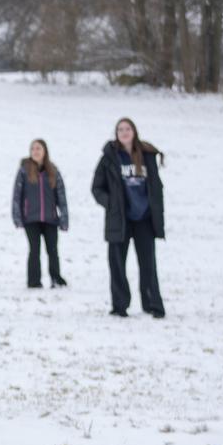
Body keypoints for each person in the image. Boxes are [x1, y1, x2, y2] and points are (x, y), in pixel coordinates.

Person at [89, 116, 166, 318]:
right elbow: (96, 188)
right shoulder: (109, 157)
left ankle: (152, 304)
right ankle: (120, 305)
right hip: (120, 220)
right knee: (117, 264)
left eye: (127, 129)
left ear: (134, 132)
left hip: (144, 219)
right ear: (116, 134)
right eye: (120, 129)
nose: (124, 132)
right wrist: (111, 204)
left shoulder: (147, 155)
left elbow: (156, 186)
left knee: (148, 265)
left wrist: (156, 210)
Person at [12, 138, 69, 288]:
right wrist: (17, 216)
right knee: (34, 250)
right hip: (31, 218)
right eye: (33, 149)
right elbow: (17, 195)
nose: (35, 151)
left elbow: (61, 196)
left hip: (50, 218)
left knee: (53, 250)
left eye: (38, 148)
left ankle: (56, 278)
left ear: (45, 151)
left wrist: (64, 217)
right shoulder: (24, 171)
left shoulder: (53, 171)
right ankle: (34, 281)